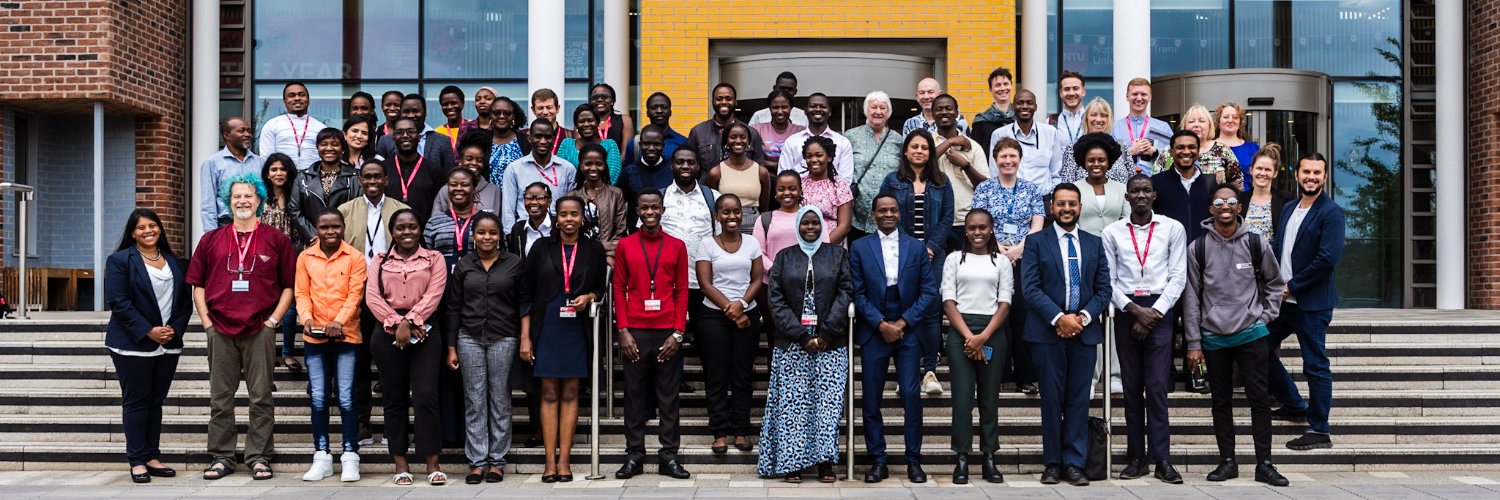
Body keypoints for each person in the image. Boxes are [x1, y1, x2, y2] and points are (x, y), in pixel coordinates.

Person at [188, 173, 296, 481]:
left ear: (260, 200)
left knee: (260, 396)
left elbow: (289, 286)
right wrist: (207, 323)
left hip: (259, 328)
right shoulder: (211, 239)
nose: (242, 200)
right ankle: (222, 456)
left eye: (249, 195)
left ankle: (258, 456)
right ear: (228, 201)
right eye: (237, 196)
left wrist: (273, 321)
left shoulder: (277, 239)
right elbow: (197, 284)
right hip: (220, 328)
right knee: (220, 397)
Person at [1184, 183, 1289, 487]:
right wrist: (1193, 342)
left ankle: (1265, 463)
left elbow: (1274, 283)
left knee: (1259, 400)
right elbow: (1192, 297)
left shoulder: (1256, 243)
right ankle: (1227, 461)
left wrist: (1265, 317)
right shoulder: (1198, 248)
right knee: (1220, 401)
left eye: (1231, 201)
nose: (1225, 206)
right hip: (1214, 337)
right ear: (1211, 209)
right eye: (1219, 202)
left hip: (1251, 334)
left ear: (1239, 207)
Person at [1019, 183, 1111, 486]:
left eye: (1072, 204)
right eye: (1061, 204)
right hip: (1047, 333)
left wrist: (1081, 318)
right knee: (1051, 400)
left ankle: (1074, 462)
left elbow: (1103, 289)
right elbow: (1030, 288)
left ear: (1080, 207)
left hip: (1084, 333)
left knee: (1078, 399)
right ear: (1051, 207)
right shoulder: (1036, 241)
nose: (1067, 209)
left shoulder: (1094, 243)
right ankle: (1052, 463)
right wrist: (1060, 318)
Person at [1101, 175, 1188, 483]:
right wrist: (1135, 311)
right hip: (1127, 312)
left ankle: (1162, 459)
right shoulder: (1112, 232)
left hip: (1160, 309)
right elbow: (1107, 280)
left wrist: (1155, 312)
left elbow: (1178, 276)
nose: (1140, 195)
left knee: (1156, 388)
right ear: (1126, 197)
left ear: (1154, 195)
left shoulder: (1172, 228)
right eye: (1135, 191)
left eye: (1146, 190)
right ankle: (1137, 457)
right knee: (1131, 388)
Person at [758, 205, 851, 484]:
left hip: (830, 344)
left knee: (827, 406)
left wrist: (825, 334)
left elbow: (846, 292)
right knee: (792, 405)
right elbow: (775, 300)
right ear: (797, 226)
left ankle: (824, 463)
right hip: (792, 345)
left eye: (814, 223)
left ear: (822, 225)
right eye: (805, 223)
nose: (810, 228)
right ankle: (792, 464)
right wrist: (801, 335)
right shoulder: (784, 257)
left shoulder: (837, 255)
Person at [851, 194, 939, 484]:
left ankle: (914, 460)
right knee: (871, 398)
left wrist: (902, 322)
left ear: (900, 214)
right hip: (874, 328)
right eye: (882, 211)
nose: (888, 214)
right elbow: (857, 292)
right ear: (873, 215)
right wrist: (879, 323)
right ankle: (878, 460)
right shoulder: (860, 247)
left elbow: (928, 292)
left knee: (912, 395)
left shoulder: (916, 248)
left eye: (893, 210)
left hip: (908, 328)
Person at [519, 196, 608, 483]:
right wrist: (525, 337)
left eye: (575, 214)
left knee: (571, 391)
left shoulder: (593, 249)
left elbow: (599, 286)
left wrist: (591, 296)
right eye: (563, 214)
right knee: (548, 392)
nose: (569, 220)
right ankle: (549, 463)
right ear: (555, 218)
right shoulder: (541, 247)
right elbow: (526, 294)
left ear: (583, 218)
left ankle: (565, 461)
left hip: (577, 326)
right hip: (547, 325)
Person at [1267, 152, 1346, 451]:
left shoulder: (1331, 213)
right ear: (1297, 174)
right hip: (1282, 303)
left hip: (1311, 303)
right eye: (1306, 172)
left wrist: (1293, 286)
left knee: (1315, 364)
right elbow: (1279, 249)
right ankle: (1294, 403)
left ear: (1324, 177)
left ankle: (1319, 429)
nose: (1311, 177)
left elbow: (1327, 259)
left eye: (1317, 173)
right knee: (1259, 350)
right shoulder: (1289, 208)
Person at [612, 189, 693, 480]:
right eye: (644, 207)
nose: (650, 212)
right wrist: (622, 329)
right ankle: (634, 454)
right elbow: (618, 289)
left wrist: (678, 332)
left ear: (662, 209)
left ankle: (668, 455)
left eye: (655, 207)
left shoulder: (676, 246)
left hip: (666, 332)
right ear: (637, 209)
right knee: (633, 395)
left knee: (668, 396)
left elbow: (682, 290)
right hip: (635, 331)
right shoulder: (625, 245)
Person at [105, 209, 190, 484]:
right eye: (141, 227)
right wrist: (148, 331)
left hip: (168, 343)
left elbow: (184, 303)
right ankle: (137, 460)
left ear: (160, 229)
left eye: (152, 225)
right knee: (137, 401)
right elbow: (119, 302)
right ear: (132, 233)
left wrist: (174, 329)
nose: (148, 231)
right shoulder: (120, 260)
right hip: (133, 344)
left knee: (155, 401)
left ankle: (152, 456)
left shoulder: (174, 262)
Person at [365, 208, 449, 486]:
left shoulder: (434, 259)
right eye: (401, 228)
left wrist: (411, 321)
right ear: (393, 232)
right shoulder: (379, 260)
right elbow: (373, 298)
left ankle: (432, 464)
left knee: (426, 395)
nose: (407, 232)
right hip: (387, 333)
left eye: (412, 227)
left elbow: (435, 294)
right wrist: (396, 322)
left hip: (425, 332)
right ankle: (400, 463)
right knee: (394, 398)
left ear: (420, 229)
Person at [444, 211, 523, 484]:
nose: (487, 237)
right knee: (475, 400)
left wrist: (524, 337)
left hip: (504, 337)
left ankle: (497, 461)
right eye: (481, 232)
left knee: (500, 399)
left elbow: (523, 303)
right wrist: (451, 346)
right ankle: (477, 462)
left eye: (492, 232)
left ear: (500, 236)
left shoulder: (514, 264)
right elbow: (453, 307)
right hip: (469, 338)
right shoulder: (465, 265)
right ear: (473, 236)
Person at [878, 129, 954, 394]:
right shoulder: (892, 180)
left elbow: (947, 218)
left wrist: (931, 247)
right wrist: (912, 249)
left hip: (933, 256)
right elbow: (885, 215)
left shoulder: (942, 181)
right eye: (914, 147)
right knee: (906, 308)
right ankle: (907, 374)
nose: (919, 151)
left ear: (931, 152)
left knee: (931, 311)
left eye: (924, 147)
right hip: (901, 254)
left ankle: (930, 372)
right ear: (906, 151)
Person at [295, 209, 367, 483]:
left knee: (347, 397)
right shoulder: (305, 257)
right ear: (317, 229)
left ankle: (350, 455)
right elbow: (301, 293)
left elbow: (354, 295)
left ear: (343, 227)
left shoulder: (355, 258)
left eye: (336, 227)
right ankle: (322, 455)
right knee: (318, 398)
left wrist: (338, 321)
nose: (331, 232)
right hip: (315, 338)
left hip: (346, 337)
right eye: (325, 227)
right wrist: (307, 318)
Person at [940, 209, 1011, 484]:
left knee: (989, 399)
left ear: (991, 229)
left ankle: (989, 457)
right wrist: (970, 337)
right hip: (961, 331)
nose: (977, 232)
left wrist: (983, 337)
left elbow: (1005, 302)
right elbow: (948, 301)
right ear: (965, 230)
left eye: (982, 227)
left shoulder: (1001, 261)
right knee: (962, 398)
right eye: (972, 228)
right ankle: (961, 457)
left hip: (993, 331)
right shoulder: (954, 259)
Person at [971, 138, 1046, 395]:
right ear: (995, 160)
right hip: (993, 258)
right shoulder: (984, 189)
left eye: (1013, 156)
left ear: (1020, 159)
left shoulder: (1031, 189)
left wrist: (1020, 248)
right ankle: (998, 373)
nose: (1008, 161)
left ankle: (1026, 376)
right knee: (996, 315)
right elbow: (979, 223)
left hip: (1025, 259)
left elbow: (1038, 223)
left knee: (1023, 316)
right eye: (1003, 156)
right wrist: (998, 248)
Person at [694, 194, 765, 455]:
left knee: (742, 375)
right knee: (716, 374)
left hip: (747, 313)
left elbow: (757, 279)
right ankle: (720, 432)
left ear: (742, 214)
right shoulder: (706, 244)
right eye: (725, 212)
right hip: (713, 316)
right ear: (717, 216)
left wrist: (742, 305)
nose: (732, 217)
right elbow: (705, 283)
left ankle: (741, 431)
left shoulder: (752, 243)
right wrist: (731, 309)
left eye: (736, 212)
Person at [661, 148, 721, 320]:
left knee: (702, 335)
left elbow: (721, 239)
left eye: (690, 162)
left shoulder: (713, 197)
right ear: (672, 166)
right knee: (669, 336)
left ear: (698, 166)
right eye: (680, 162)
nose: (685, 166)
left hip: (703, 282)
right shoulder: (659, 197)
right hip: (667, 281)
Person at [259, 154, 303, 370]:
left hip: (291, 257)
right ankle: (267, 353)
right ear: (267, 172)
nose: (278, 173)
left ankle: (287, 353)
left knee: (290, 308)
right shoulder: (259, 197)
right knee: (266, 306)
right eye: (274, 169)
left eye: (283, 169)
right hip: (263, 259)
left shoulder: (296, 194)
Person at [930, 94, 990, 251]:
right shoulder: (927, 142)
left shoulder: (973, 146)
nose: (944, 112)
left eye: (948, 108)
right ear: (933, 114)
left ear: (957, 113)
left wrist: (965, 165)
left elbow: (985, 186)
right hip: (935, 221)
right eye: (939, 109)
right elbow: (924, 163)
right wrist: (950, 142)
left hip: (965, 222)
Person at [846, 91, 903, 242]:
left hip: (888, 214)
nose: (878, 111)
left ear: (888, 112)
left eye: (882, 108)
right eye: (874, 107)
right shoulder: (851, 136)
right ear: (866, 110)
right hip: (857, 215)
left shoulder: (898, 140)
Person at [502, 118, 576, 230]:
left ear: (553, 138)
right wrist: (511, 235)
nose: (542, 141)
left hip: (557, 232)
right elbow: (508, 210)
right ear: (530, 138)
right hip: (525, 231)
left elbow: (571, 205)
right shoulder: (514, 169)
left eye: (547, 137)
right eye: (538, 136)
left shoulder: (567, 169)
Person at [289, 128, 359, 245]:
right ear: (317, 148)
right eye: (323, 144)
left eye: (335, 144)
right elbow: (294, 209)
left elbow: (358, 211)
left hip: (345, 242)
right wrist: (315, 236)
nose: (329, 148)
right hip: (311, 243)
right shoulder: (303, 177)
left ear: (342, 148)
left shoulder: (355, 177)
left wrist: (337, 236)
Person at [989, 90, 1062, 193]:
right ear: (1013, 106)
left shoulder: (1050, 133)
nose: (1025, 106)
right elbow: (994, 172)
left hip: (1042, 200)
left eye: (1029, 102)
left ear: (1035, 107)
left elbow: (1056, 173)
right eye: (1020, 102)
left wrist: (1051, 198)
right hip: (1010, 199)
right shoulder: (999, 134)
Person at [1152, 104, 1241, 187]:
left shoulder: (1223, 150)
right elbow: (1155, 179)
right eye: (1191, 121)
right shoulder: (1170, 150)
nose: (1196, 125)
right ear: (1184, 126)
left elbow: (1237, 183)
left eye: (1202, 121)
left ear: (1209, 126)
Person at [201, 116, 265, 232]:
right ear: (227, 135)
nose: (247, 134)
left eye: (249, 131)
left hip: (256, 226)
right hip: (225, 225)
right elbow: (208, 205)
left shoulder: (260, 163)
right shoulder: (212, 163)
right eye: (241, 131)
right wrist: (211, 236)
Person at [707, 121, 774, 231]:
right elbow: (713, 207)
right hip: (725, 225)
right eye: (733, 137)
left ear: (748, 142)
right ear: (726, 142)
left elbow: (764, 209)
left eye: (742, 137)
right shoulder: (716, 173)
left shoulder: (761, 172)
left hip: (753, 225)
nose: (738, 141)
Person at [340, 161, 411, 265]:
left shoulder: (402, 210)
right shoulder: (345, 210)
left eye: (377, 177)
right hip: (356, 275)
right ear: (360, 181)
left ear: (386, 180)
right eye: (367, 177)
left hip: (392, 274)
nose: (372, 181)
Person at [1153, 130, 1217, 243]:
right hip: (1168, 252)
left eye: (1191, 147)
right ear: (1171, 152)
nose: (1186, 151)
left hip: (1202, 252)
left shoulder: (1210, 183)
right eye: (1180, 147)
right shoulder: (1156, 182)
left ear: (1198, 151)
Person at [568, 143, 628, 261]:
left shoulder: (616, 194)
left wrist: (608, 253)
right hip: (578, 256)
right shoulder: (572, 196)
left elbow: (621, 230)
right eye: (588, 164)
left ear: (605, 166)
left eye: (599, 164)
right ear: (580, 166)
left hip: (608, 256)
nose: (593, 168)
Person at [385, 117, 451, 223]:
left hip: (424, 234)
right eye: (399, 132)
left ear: (419, 137)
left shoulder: (434, 170)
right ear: (393, 139)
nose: (405, 135)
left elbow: (441, 206)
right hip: (388, 234)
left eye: (410, 131)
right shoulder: (384, 168)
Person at [374, 93, 458, 175]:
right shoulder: (385, 140)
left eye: (415, 111)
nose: (410, 115)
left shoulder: (443, 141)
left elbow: (449, 174)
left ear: (425, 112)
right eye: (406, 111)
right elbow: (378, 173)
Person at [779, 93, 854, 183]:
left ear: (829, 111)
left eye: (822, 106)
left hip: (833, 195)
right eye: (813, 106)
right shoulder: (792, 142)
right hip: (798, 195)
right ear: (805, 111)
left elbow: (845, 180)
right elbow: (783, 176)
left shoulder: (842, 142)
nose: (818, 109)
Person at [685, 83, 766, 166]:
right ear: (712, 102)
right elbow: (690, 165)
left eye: (728, 99)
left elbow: (758, 167)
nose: (724, 102)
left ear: (735, 102)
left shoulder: (751, 133)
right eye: (719, 99)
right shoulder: (697, 132)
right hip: (708, 179)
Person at [1059, 98, 1136, 185]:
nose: (1098, 119)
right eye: (1094, 115)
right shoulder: (1073, 149)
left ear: (1109, 119)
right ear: (1086, 118)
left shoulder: (1121, 148)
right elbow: (1067, 185)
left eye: (1103, 115)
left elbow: (1133, 182)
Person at [795, 136, 853, 245]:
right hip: (800, 247)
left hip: (830, 248)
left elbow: (844, 226)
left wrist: (822, 247)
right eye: (809, 156)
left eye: (819, 155)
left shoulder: (840, 186)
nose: (813, 160)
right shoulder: (799, 185)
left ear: (829, 157)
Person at [1070, 133, 1130, 236]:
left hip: (1115, 247)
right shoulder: (1073, 189)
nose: (1096, 164)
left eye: (1101, 160)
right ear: (1084, 162)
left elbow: (1128, 220)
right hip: (1083, 247)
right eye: (1091, 160)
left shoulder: (1122, 189)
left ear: (1108, 162)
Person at [425, 167, 484, 270]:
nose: (458, 188)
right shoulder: (434, 223)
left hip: (478, 282)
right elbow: (424, 259)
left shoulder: (487, 221)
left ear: (474, 188)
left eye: (464, 185)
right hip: (442, 282)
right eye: (453, 185)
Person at [1112, 78, 1174, 174]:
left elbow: (1172, 161)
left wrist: (1155, 153)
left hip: (1154, 184)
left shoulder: (1163, 127)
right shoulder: (1114, 128)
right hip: (1123, 184)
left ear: (1150, 97)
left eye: (1144, 94)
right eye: (1135, 94)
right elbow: (1108, 162)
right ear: (1127, 97)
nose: (1139, 98)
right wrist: (1130, 152)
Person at [259, 82, 327, 167]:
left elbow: (326, 157)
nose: (297, 98)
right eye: (291, 95)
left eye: (301, 95)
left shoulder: (320, 127)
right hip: (283, 177)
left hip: (313, 177)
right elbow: (266, 158)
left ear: (308, 100)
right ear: (285, 101)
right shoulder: (272, 125)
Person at [434, 132, 503, 215]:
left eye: (479, 160)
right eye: (469, 159)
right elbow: (435, 222)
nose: (474, 163)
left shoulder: (494, 191)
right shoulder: (447, 190)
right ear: (460, 160)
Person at [1238, 143, 1295, 241]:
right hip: (1243, 255)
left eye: (1268, 170)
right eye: (1259, 168)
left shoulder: (1286, 200)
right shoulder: (1240, 199)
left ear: (1275, 173)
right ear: (1251, 170)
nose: (1263, 173)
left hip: (1273, 255)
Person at [620, 125, 674, 226]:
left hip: (667, 233)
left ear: (663, 145)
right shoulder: (628, 172)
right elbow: (619, 206)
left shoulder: (673, 171)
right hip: (636, 235)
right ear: (640, 145)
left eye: (656, 144)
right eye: (647, 144)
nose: (651, 148)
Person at [557, 104, 624, 184]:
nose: (586, 124)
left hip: (604, 194)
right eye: (581, 121)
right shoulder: (567, 144)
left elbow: (612, 177)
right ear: (576, 125)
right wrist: (577, 194)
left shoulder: (610, 145)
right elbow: (561, 174)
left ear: (597, 122)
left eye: (590, 120)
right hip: (572, 194)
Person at [751, 90, 807, 170]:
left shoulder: (800, 131)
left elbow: (803, 161)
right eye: (775, 107)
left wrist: (768, 163)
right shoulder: (757, 129)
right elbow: (750, 158)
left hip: (793, 180)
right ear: (769, 109)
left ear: (791, 108)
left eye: (784, 107)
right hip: (764, 179)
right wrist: (777, 165)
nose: (780, 111)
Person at [1212, 101, 1261, 186]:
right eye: (1226, 117)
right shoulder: (1209, 147)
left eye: (1235, 117)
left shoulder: (1253, 148)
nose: (1230, 120)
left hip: (1246, 197)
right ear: (1218, 122)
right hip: (1216, 198)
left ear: (1239, 123)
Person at [631, 92, 688, 163]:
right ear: (647, 113)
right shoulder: (634, 144)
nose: (659, 111)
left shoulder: (683, 142)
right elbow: (629, 171)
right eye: (654, 107)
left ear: (670, 112)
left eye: (664, 107)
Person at [969, 67, 1016, 156]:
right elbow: (975, 153)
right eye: (997, 85)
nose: (1002, 88)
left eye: (1006, 84)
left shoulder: (1020, 118)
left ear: (1011, 85)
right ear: (990, 90)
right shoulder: (981, 121)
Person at [904, 77, 969, 137]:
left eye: (930, 92)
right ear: (917, 96)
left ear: (940, 94)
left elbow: (966, 147)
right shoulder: (910, 123)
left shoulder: (958, 119)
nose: (926, 97)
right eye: (922, 93)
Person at [488, 96, 531, 184]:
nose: (502, 116)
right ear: (490, 115)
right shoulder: (480, 140)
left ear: (513, 116)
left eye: (507, 113)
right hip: (490, 196)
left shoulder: (526, 141)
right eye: (496, 113)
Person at [508, 182, 556, 258]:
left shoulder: (558, 225)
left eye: (540, 198)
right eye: (529, 198)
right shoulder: (518, 229)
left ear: (549, 202)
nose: (533, 202)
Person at [589, 83, 635, 148]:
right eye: (595, 97)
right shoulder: (584, 122)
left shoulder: (625, 120)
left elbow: (626, 151)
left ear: (613, 100)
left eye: (604, 96)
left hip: (618, 158)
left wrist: (614, 158)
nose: (599, 100)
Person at [1049, 71, 1087, 146]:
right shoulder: (1050, 122)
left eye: (1075, 88)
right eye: (1067, 89)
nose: (1071, 93)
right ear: (1060, 93)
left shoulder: (1094, 121)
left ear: (1083, 92)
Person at [435, 85, 468, 152]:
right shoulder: (436, 133)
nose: (449, 107)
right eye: (445, 104)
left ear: (463, 103)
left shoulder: (474, 128)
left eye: (453, 103)